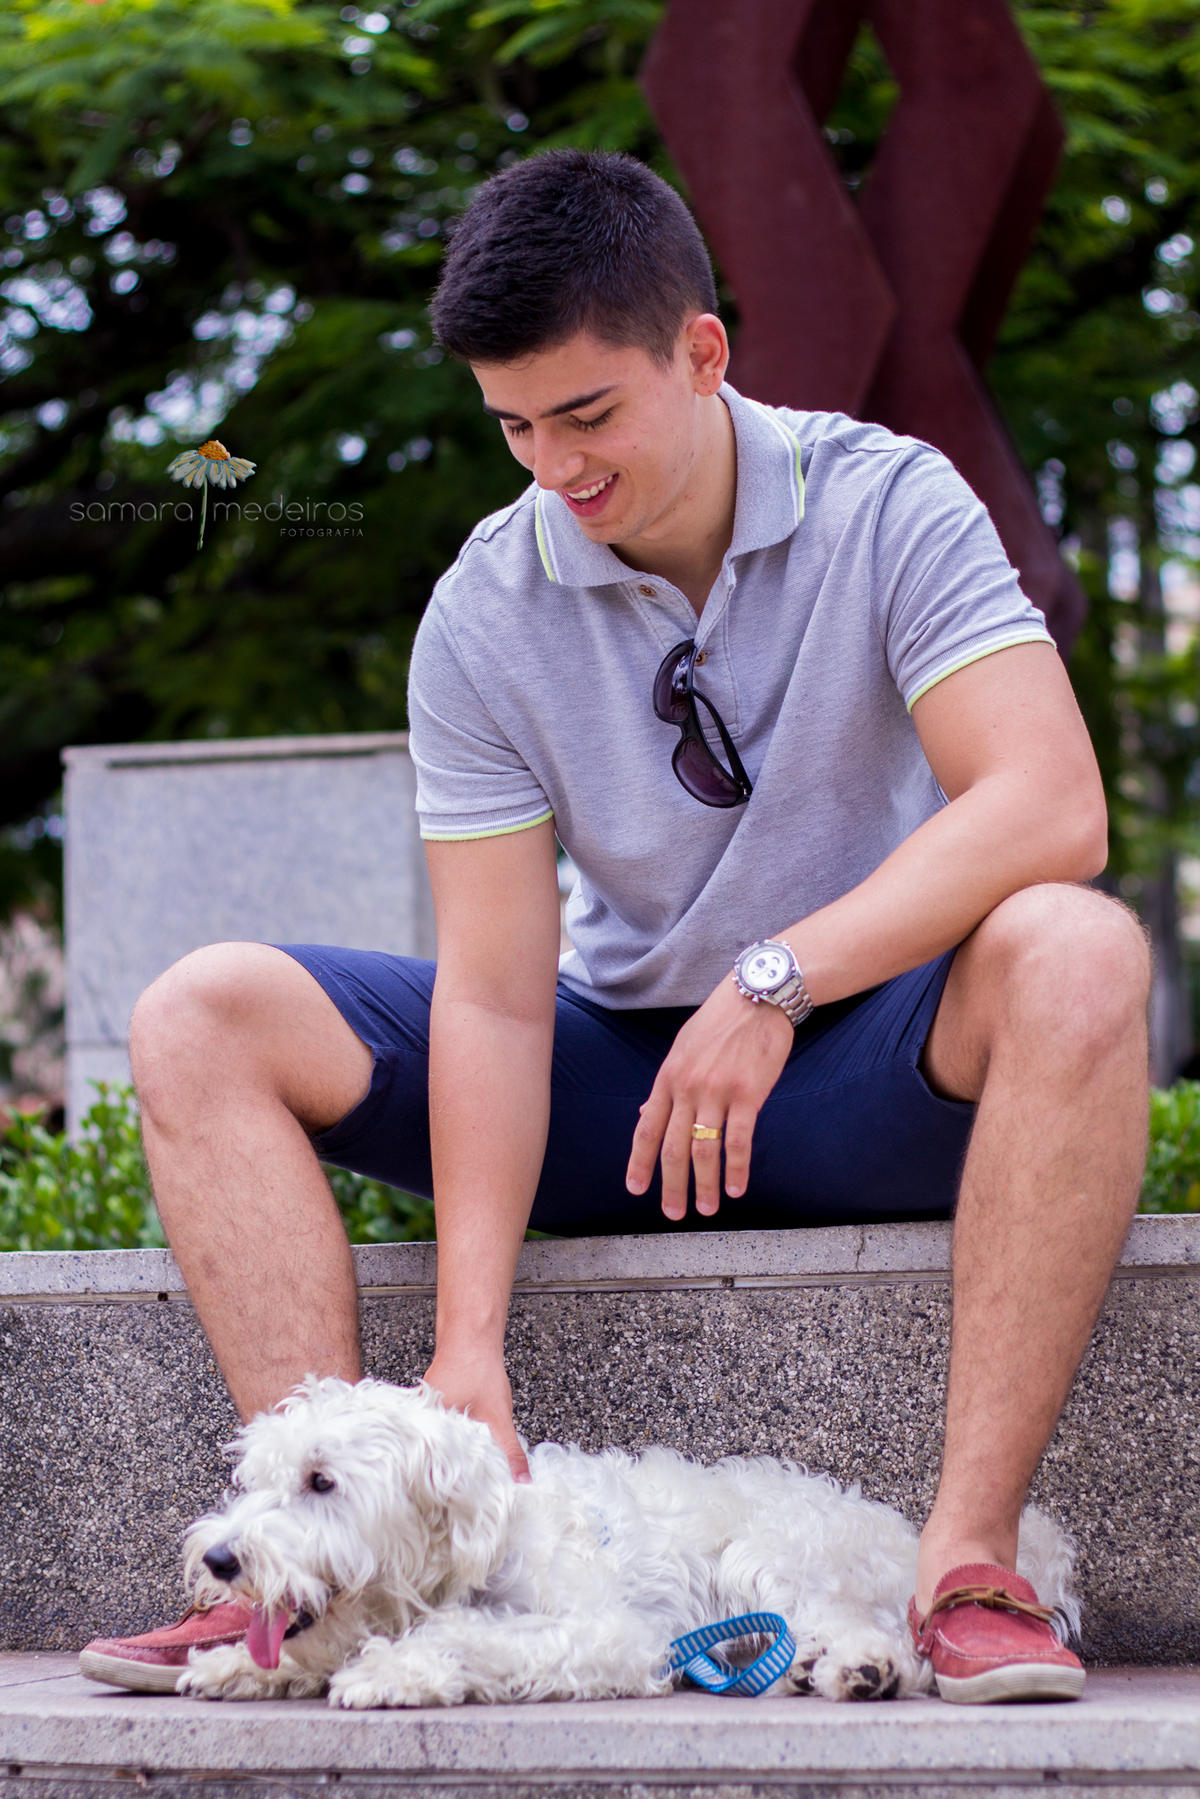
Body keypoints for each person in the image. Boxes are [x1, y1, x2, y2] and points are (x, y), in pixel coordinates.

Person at [81, 150, 1150, 1705]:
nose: (555, 469)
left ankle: (968, 1567)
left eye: (588, 416)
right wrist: (468, 1348)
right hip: (620, 1092)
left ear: (701, 353)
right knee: (201, 1011)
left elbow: (1053, 804)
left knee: (1079, 943)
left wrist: (776, 980)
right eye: (515, 426)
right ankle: (312, 1581)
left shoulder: (890, 499)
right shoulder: (485, 608)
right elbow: (502, 997)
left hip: (867, 1063)